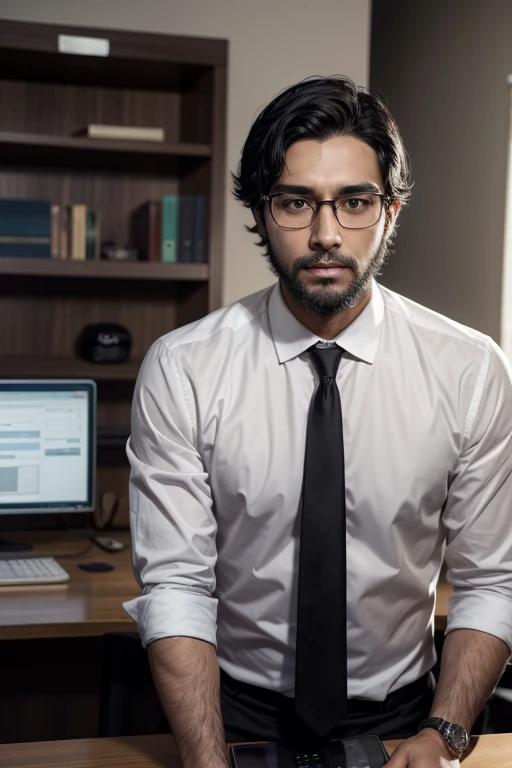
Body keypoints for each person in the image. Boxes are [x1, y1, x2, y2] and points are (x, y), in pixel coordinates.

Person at [123, 76, 512, 768]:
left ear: (390, 211)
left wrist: (444, 733)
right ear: (263, 212)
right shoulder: (184, 368)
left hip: (403, 717)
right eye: (296, 202)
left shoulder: (471, 370)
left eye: (355, 202)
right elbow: (177, 588)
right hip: (232, 709)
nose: (326, 234)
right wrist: (208, 763)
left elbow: (491, 580)